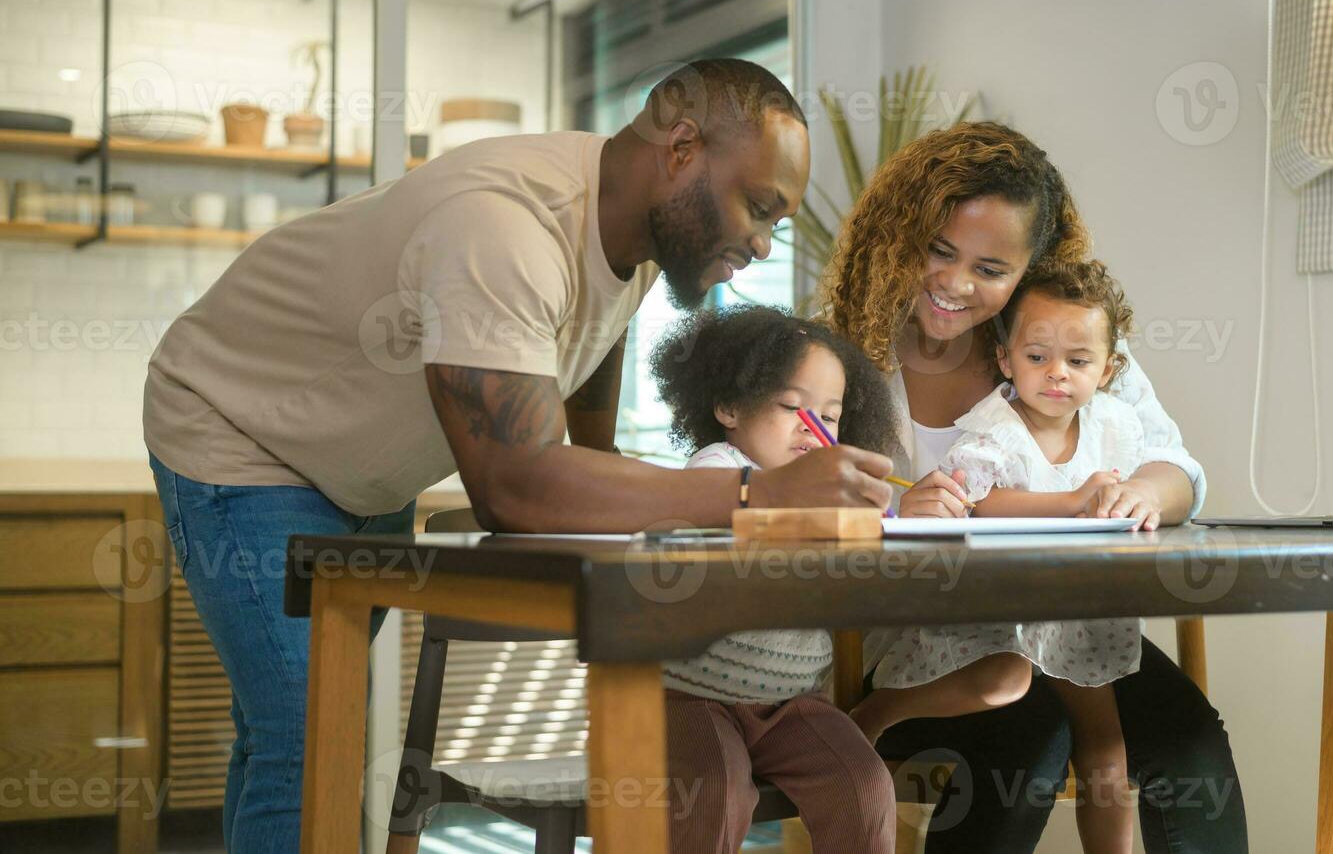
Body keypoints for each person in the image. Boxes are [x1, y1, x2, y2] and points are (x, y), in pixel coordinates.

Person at [142, 58, 895, 853]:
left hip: (361, 463)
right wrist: (758, 493)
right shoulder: (503, 226)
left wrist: (601, 481)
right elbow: (515, 485)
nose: (761, 239)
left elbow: (586, 356)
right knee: (306, 729)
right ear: (680, 149)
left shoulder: (631, 234)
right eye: (758, 206)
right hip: (241, 432)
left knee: (286, 726)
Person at [820, 121, 1248, 852]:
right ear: (900, 238)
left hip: (1072, 625)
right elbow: (792, 495)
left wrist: (1147, 489)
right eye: (939, 251)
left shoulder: (1068, 352)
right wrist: (892, 504)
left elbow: (1178, 468)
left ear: (1031, 270)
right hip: (923, 647)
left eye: (991, 268)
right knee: (1030, 732)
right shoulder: (842, 351)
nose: (955, 285)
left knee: (1187, 742)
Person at [853, 260, 1149, 854]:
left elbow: (1137, 492)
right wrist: (1072, 501)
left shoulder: (1114, 426)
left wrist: (1133, 501)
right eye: (1037, 357)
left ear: (1108, 369)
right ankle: (879, 710)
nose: (1057, 374)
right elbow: (978, 504)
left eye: (1079, 360)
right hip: (992, 613)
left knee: (1107, 745)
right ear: (1005, 360)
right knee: (1006, 680)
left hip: (1080, 611)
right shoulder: (994, 430)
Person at [650, 305, 898, 853]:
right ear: (729, 405)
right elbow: (748, 532)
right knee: (712, 796)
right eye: (791, 406)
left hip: (791, 700)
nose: (812, 427)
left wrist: (901, 520)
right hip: (692, 697)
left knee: (864, 787)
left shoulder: (835, 494)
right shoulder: (717, 471)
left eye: (829, 416)